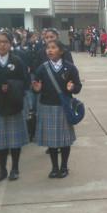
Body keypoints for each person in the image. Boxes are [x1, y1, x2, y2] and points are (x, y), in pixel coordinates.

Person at [32, 40, 82, 178]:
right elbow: (36, 85)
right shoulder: (42, 68)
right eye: (48, 48)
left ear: (61, 51)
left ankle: (64, 166)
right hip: (47, 106)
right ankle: (54, 167)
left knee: (64, 140)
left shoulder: (70, 68)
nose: (50, 50)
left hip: (63, 107)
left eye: (53, 48)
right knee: (52, 141)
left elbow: (78, 86)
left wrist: (73, 88)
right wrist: (36, 89)